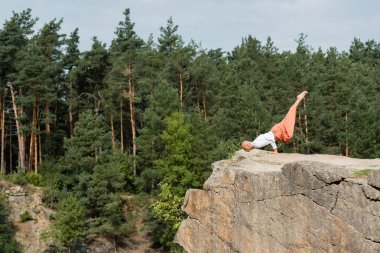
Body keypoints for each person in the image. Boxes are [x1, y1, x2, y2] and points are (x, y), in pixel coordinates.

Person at [241, 91, 308, 154]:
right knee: (288, 132)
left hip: (276, 131)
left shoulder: (256, 144)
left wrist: (275, 150)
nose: (245, 150)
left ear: (247, 145)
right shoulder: (255, 143)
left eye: (245, 148)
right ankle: (299, 99)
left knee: (289, 121)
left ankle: (299, 98)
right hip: (276, 132)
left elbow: (270, 140)